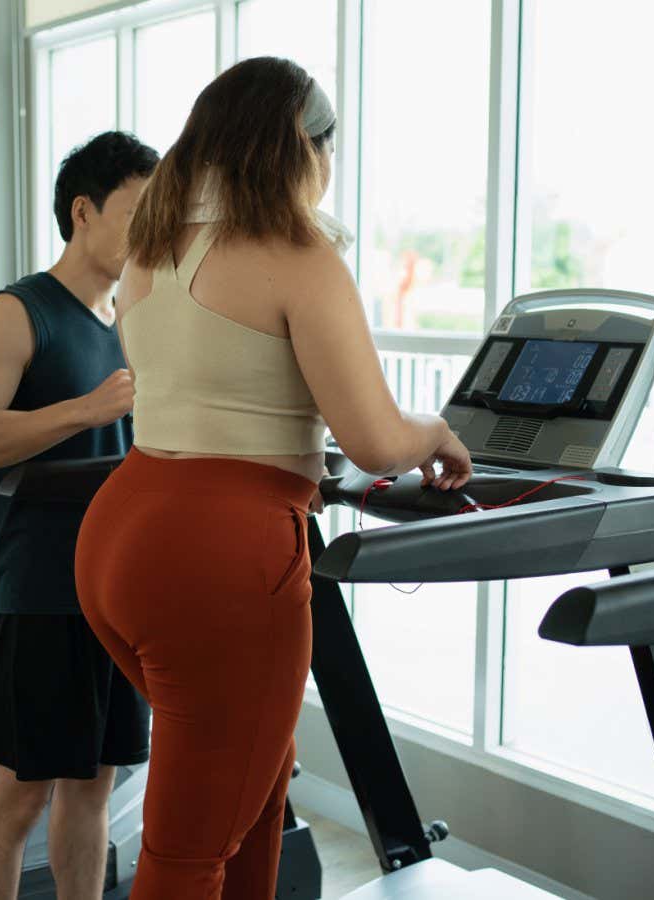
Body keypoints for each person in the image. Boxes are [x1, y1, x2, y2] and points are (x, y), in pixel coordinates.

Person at [74, 58, 474, 899]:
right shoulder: (297, 254)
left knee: (251, 779)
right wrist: (435, 431)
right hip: (220, 555)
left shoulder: (153, 248)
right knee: (187, 846)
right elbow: (372, 439)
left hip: (119, 534)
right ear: (307, 148)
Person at [0, 131, 159, 900]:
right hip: (43, 590)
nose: (154, 229)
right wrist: (85, 409)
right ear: (83, 212)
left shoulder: (128, 320)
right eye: (139, 211)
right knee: (20, 793)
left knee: (95, 784)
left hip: (115, 588)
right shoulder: (19, 310)